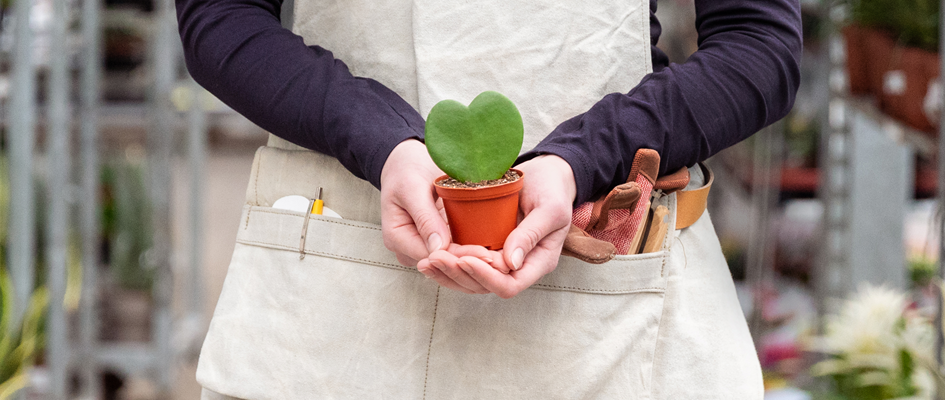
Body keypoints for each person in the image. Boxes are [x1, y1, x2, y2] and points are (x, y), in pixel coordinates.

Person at [180, 0, 799, 397]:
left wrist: (581, 158)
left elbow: (759, 45)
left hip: (601, 299)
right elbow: (222, 17)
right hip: (341, 287)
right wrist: (379, 140)